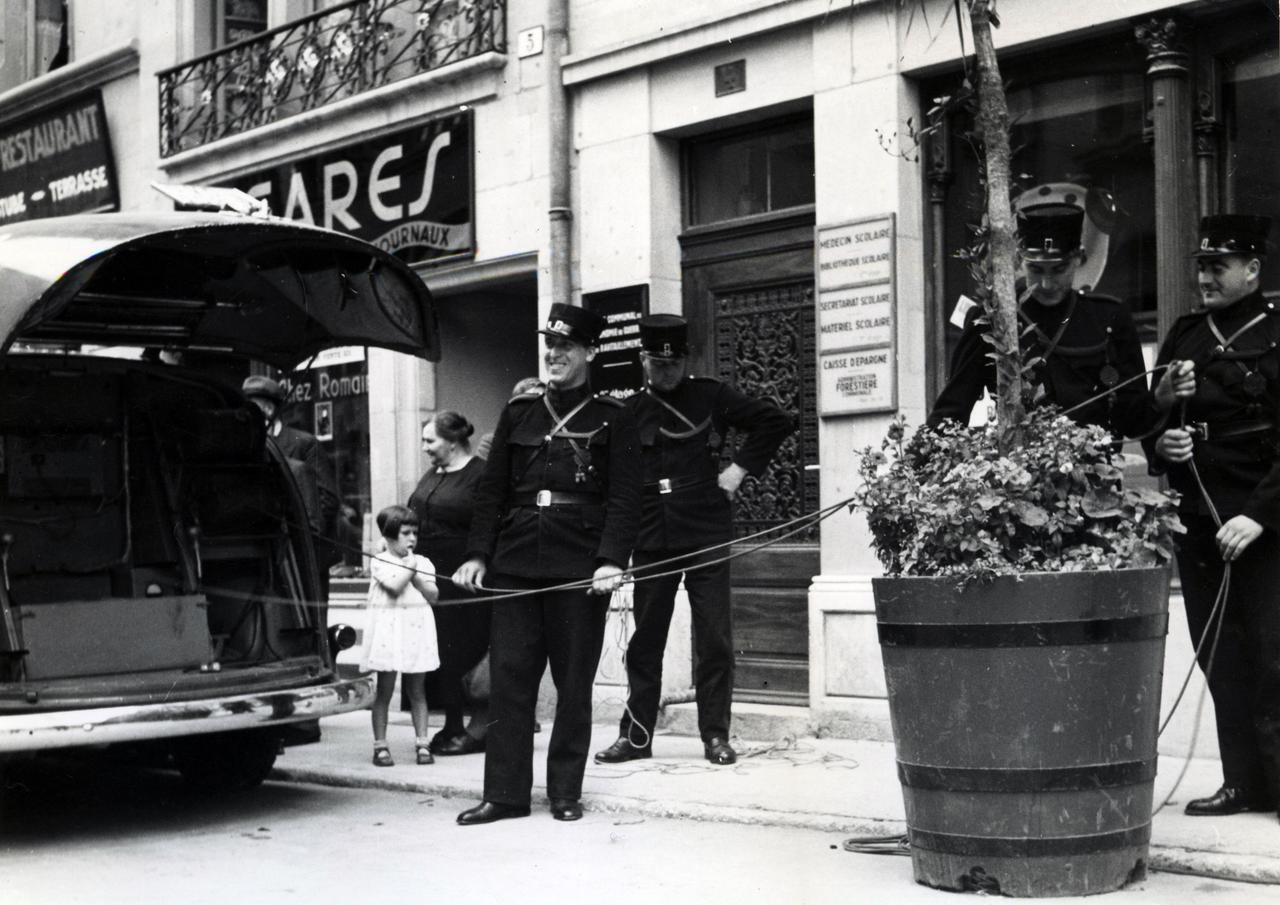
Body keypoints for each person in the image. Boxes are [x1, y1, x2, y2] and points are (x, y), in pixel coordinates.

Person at [453, 303, 642, 825]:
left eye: (565, 347)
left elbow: (625, 499)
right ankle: (506, 795)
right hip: (515, 563)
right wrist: (476, 554)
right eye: (549, 346)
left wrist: (610, 561)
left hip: (579, 568)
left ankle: (564, 792)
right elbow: (492, 491)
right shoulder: (519, 412)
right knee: (510, 683)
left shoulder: (615, 415)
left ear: (590, 352)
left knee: (573, 683)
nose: (554, 355)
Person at [593, 314, 795, 767]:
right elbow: (620, 491)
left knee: (715, 638)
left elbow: (776, 421)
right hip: (651, 536)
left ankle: (716, 736)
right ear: (643, 361)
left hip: (705, 530)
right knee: (645, 640)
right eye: (656, 363)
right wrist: (614, 554)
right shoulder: (626, 415)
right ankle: (637, 736)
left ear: (684, 360)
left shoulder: (711, 396)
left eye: (673, 363)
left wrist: (739, 469)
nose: (665, 371)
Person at [1143, 214, 1279, 819]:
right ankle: (1243, 782)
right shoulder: (1184, 333)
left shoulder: (1277, 330)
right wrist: (1164, 437)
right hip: (1200, 516)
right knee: (1218, 651)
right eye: (1200, 265)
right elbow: (1153, 427)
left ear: (1252, 269)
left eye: (1217, 266)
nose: (1205, 276)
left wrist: (1258, 517)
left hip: (1264, 519)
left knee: (1276, 652)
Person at [928, 208, 1150, 441]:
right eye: (1035, 269)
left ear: (1078, 258)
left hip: (1094, 472)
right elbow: (951, 411)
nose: (1046, 283)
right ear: (1020, 262)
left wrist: (1164, 399)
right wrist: (913, 468)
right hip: (1018, 471)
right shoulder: (992, 320)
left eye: (1058, 269)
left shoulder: (1109, 318)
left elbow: (1135, 417)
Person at [407, 411, 491, 756]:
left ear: (453, 442)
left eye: (430, 441)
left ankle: (471, 726)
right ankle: (450, 722)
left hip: (464, 579)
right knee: (438, 652)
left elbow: (487, 524)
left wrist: (477, 560)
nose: (425, 448)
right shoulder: (433, 473)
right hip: (429, 578)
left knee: (461, 652)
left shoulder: (479, 475)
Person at [241, 375, 340, 594]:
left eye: (252, 408)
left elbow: (328, 499)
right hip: (268, 555)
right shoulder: (246, 445)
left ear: (267, 410)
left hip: (304, 554)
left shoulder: (304, 443)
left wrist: (302, 536)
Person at [361, 504, 441, 767]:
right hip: (390, 632)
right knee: (384, 689)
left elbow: (433, 595)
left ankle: (422, 743)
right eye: (405, 533)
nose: (412, 539)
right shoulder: (380, 560)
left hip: (415, 631)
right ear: (389, 535)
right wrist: (411, 567)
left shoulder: (423, 562)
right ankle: (380, 746)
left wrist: (416, 571)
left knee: (417, 690)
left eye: (415, 533)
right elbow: (395, 586)